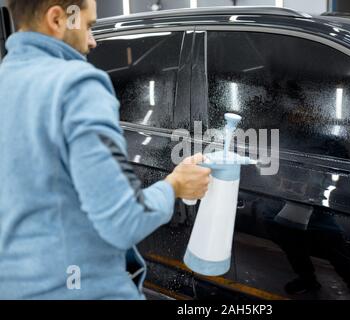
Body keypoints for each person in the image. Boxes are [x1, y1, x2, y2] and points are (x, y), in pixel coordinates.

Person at [0, 0, 211, 299]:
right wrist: (175, 186)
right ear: (58, 19)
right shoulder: (76, 86)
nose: (92, 41)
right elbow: (124, 220)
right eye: (88, 25)